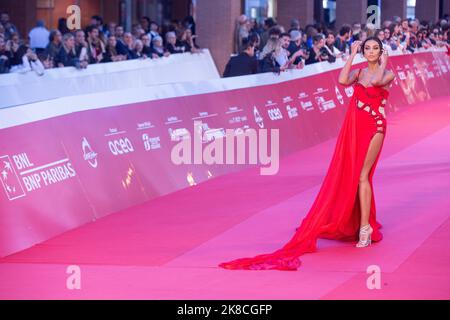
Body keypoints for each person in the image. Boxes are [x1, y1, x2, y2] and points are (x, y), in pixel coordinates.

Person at [219, 37, 395, 271]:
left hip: (376, 125)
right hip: (355, 125)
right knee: (352, 174)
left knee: (363, 175)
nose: (371, 52)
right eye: (367, 49)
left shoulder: (387, 73)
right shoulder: (359, 73)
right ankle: (359, 223)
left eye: (375, 48)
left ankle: (365, 229)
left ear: (380, 51)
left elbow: (379, 80)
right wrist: (351, 56)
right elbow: (342, 80)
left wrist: (385, 60)